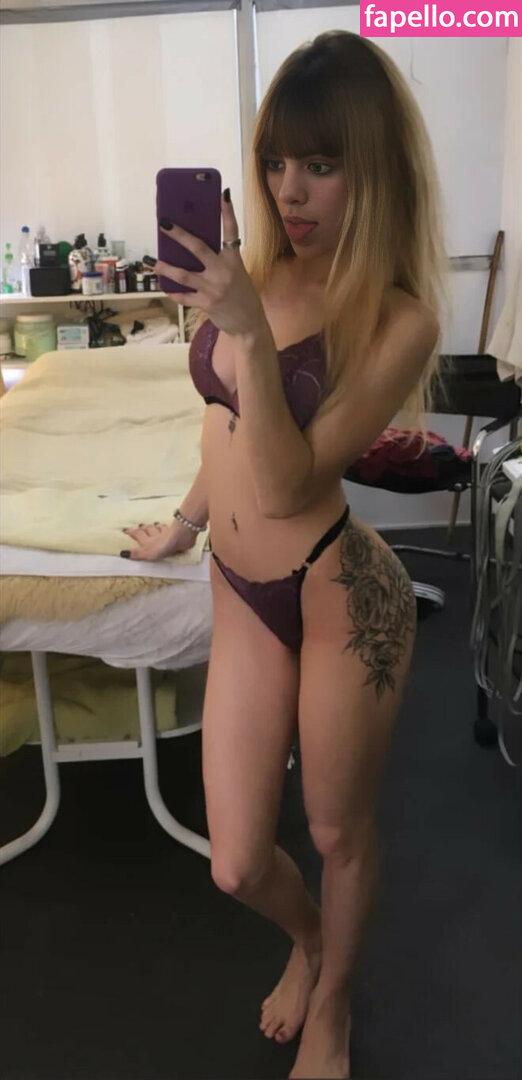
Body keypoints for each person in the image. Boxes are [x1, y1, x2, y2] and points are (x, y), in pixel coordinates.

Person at [121, 30, 446, 1080]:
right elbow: (221, 430)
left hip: (336, 595)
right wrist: (183, 524)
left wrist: (253, 337)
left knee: (337, 833)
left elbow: (290, 484)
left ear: (373, 170)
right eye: (275, 161)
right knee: (235, 862)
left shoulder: (398, 319)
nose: (289, 190)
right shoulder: (252, 274)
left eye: (321, 162)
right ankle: (311, 942)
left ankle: (334, 1006)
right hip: (238, 589)